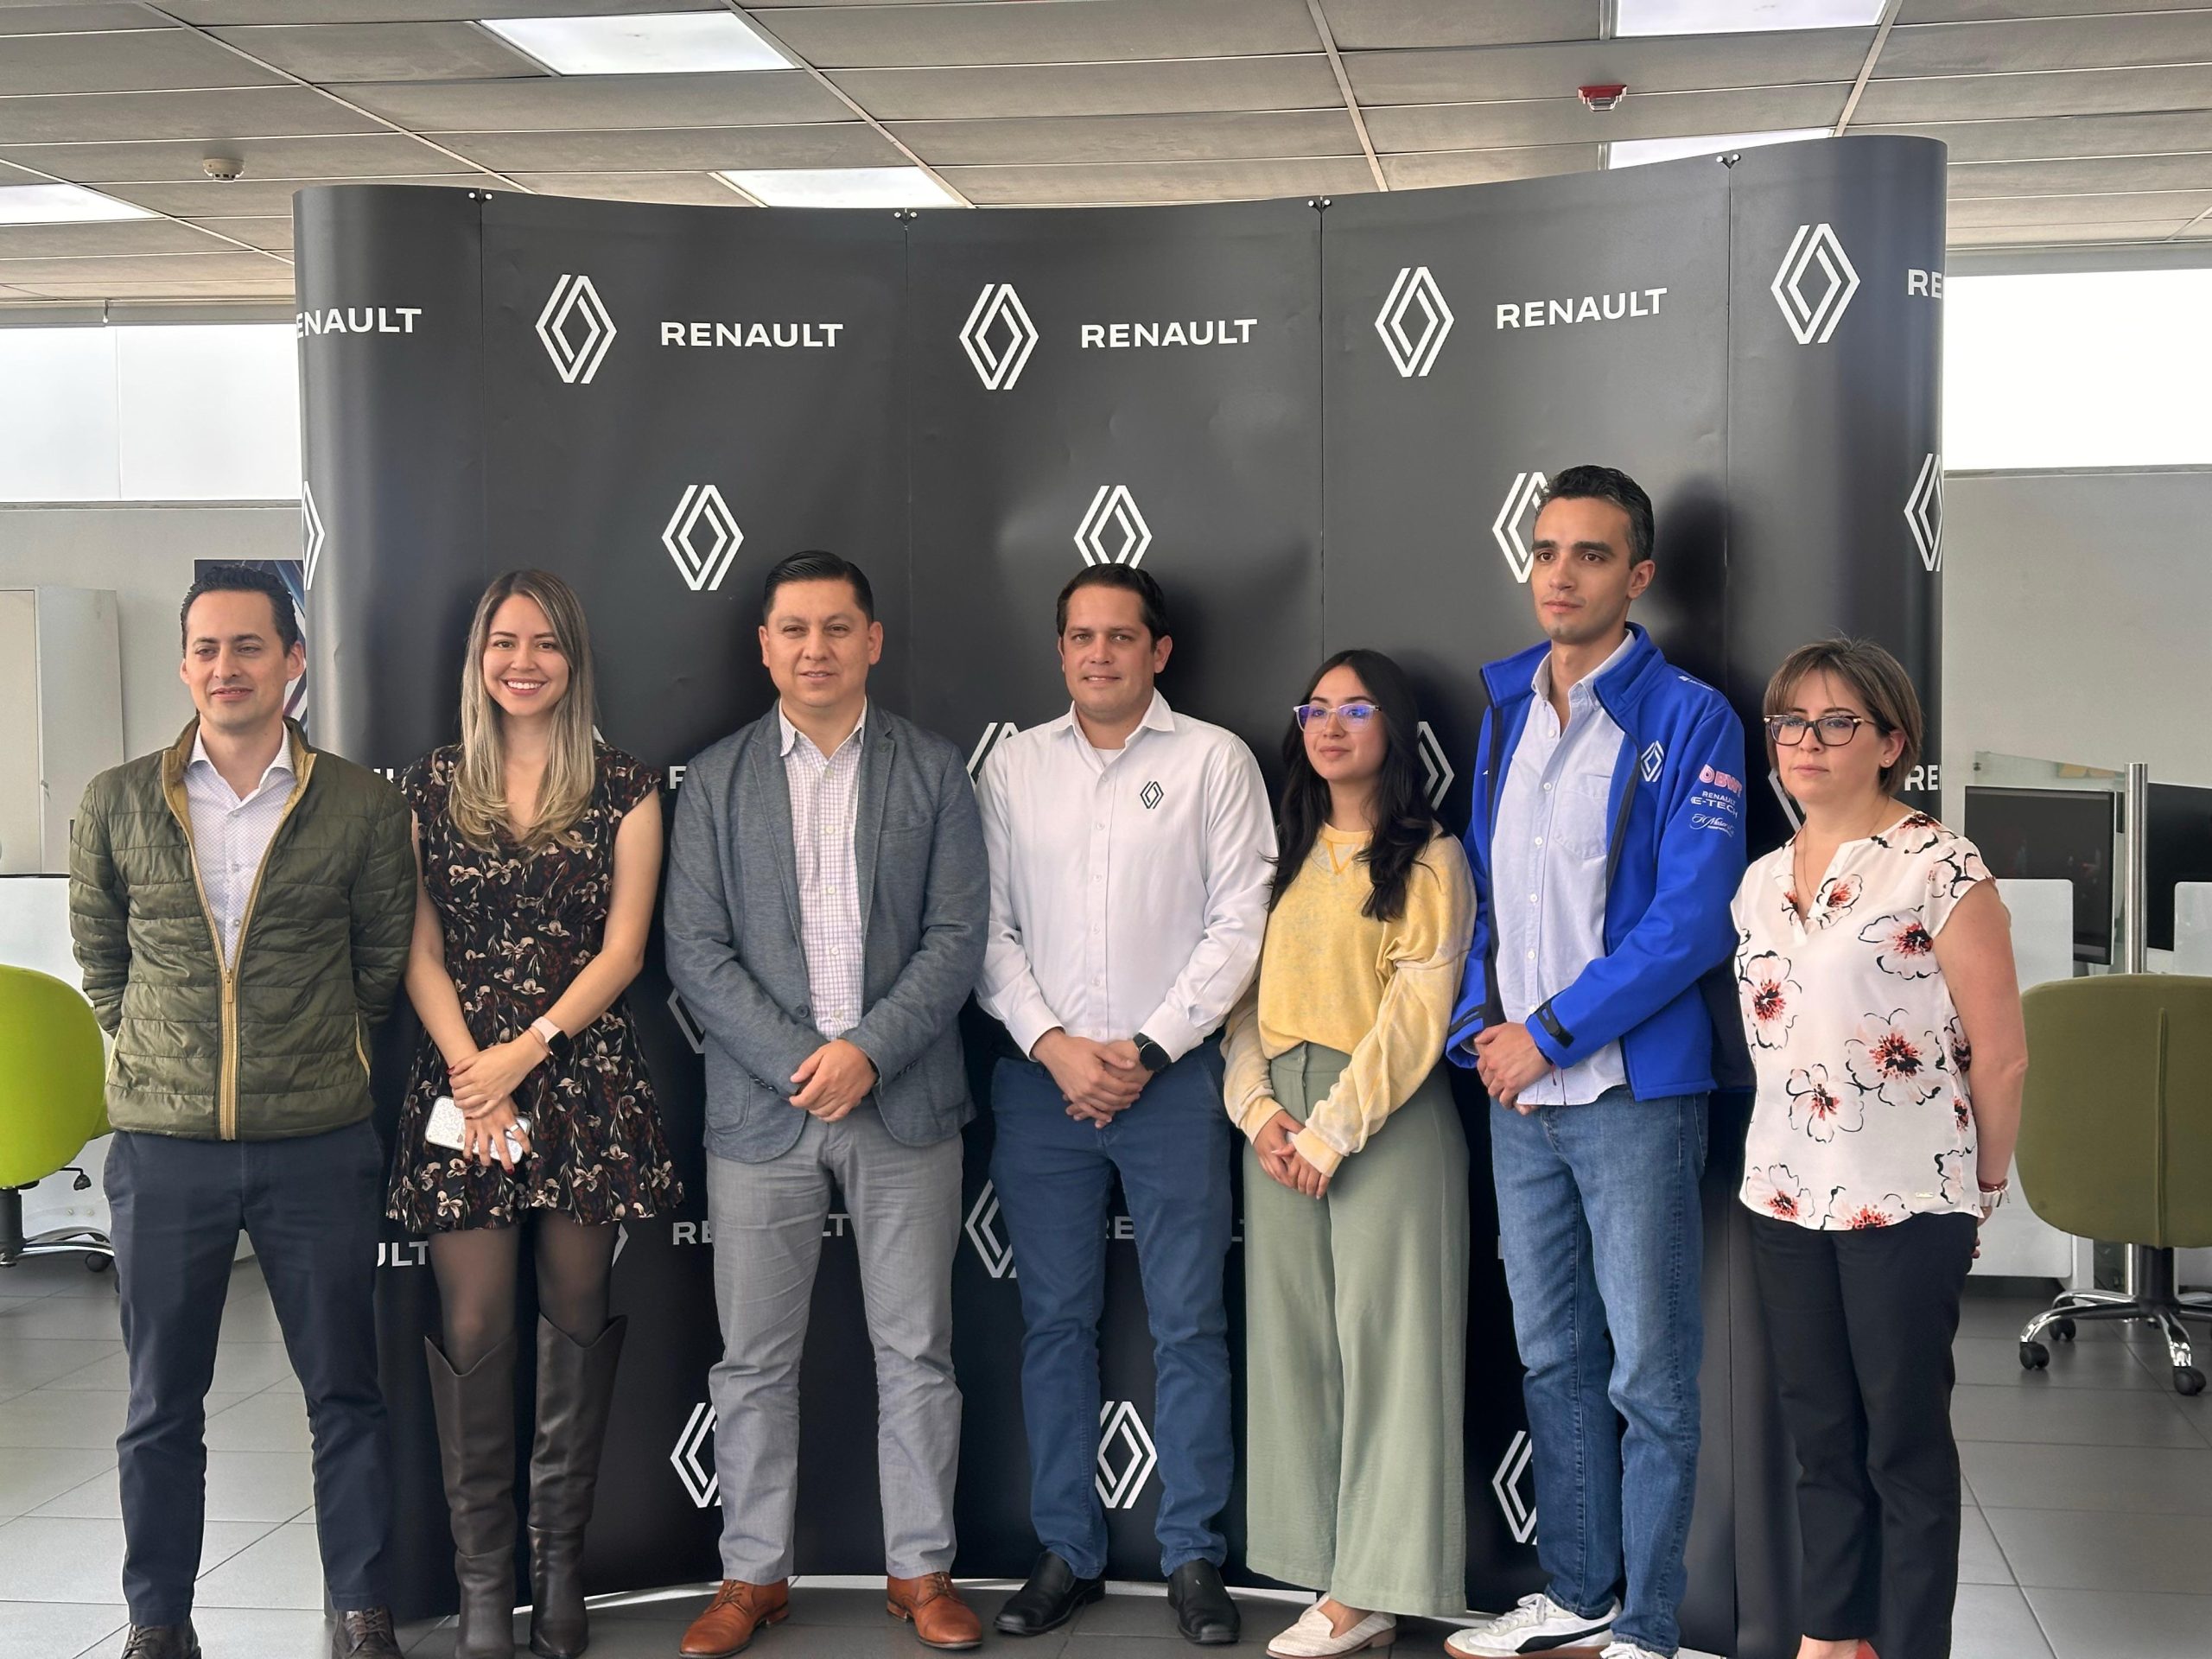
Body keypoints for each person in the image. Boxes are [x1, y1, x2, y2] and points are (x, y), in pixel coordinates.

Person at [69, 563, 414, 1659]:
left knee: (344, 1394)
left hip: (317, 1141)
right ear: (184, 666)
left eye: (250, 646)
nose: (227, 667)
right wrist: (165, 1055)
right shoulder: (115, 800)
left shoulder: (361, 805)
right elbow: (104, 963)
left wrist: (315, 1053)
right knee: (160, 1405)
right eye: (208, 649)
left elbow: (378, 966)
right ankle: (158, 1621)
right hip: (164, 1147)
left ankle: (360, 1608)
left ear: (293, 663)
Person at [1442, 466, 1747, 1659]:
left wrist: (1550, 1031)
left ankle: (1651, 1628)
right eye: (1546, 550)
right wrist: (1482, 1024)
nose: (1560, 575)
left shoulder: (1690, 716)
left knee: (1650, 1380)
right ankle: (1577, 1595)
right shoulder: (1506, 711)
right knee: (1553, 1358)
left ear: (1639, 576)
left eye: (1591, 554)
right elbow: (1488, 896)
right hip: (1516, 1099)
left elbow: (1693, 921)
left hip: (1629, 1096)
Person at [664, 552, 990, 1659]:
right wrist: (807, 1061)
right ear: (765, 647)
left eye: (837, 628)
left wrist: (868, 1055)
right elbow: (695, 952)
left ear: (872, 641)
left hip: (904, 1104)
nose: (816, 648)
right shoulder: (714, 782)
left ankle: (921, 1571)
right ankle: (751, 1577)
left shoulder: (933, 771)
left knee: (918, 1353)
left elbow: (956, 939)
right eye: (795, 630)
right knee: (752, 1361)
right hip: (763, 1115)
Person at [976, 563, 1274, 1647]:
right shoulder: (1013, 767)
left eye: (1119, 636)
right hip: (1039, 1088)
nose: (1098, 653)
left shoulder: (1213, 761)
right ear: (1059, 650)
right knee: (1055, 1324)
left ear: (1159, 651)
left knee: (1190, 1324)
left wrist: (1147, 1049)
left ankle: (1193, 1555)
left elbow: (1240, 921)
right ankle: (1068, 1550)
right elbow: (985, 928)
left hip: (1175, 1085)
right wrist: (1056, 1048)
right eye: (1080, 636)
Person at [386, 569, 680, 1659]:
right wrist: (476, 1070)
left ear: (573, 659)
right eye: (505, 643)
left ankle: (560, 1574)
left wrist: (526, 1052)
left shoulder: (625, 786)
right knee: (472, 1327)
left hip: (583, 1082)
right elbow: (416, 946)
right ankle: (482, 1589)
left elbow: (625, 950)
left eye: (545, 643)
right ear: (479, 659)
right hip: (464, 1088)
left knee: (575, 1315)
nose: (524, 662)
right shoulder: (427, 787)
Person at [1733, 639, 2025, 1659]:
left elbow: (2002, 1055)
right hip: (1783, 1194)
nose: (1804, 742)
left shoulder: (1940, 869)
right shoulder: (1758, 883)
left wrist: (1982, 1187)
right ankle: (1831, 1635)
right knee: (1819, 1435)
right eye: (1789, 722)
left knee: (1902, 1444)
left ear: (1892, 742)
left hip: (1907, 1196)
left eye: (1836, 723)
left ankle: (1906, 1645)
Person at [1220, 651, 1476, 1658]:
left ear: (1393, 728)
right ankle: (1324, 1573)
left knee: (1392, 1356)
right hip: (1278, 1122)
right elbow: (1241, 1002)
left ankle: (1374, 1589)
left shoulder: (1431, 858)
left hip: (1384, 1116)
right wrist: (1258, 1112)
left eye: (1356, 709)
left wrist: (1329, 1131)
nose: (1330, 726)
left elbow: (1417, 1013)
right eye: (1315, 709)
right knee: (1295, 1352)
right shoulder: (1278, 854)